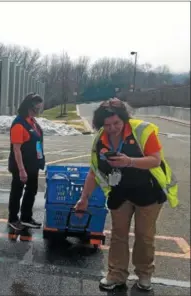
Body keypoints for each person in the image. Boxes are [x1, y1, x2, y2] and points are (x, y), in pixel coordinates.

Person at [74, 98, 178, 291]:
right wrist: (84, 198)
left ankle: (145, 274)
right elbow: (94, 171)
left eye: (116, 123)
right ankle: (116, 274)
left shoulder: (142, 131)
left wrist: (129, 161)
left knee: (144, 236)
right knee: (118, 235)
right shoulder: (100, 140)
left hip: (148, 191)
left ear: (124, 119)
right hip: (120, 192)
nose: (112, 128)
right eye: (106, 125)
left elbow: (155, 160)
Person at [7, 93, 45, 230]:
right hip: (21, 166)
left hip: (33, 165)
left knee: (31, 191)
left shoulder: (32, 121)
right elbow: (16, 150)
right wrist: (22, 170)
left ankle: (26, 217)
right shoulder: (19, 124)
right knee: (17, 192)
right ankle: (13, 218)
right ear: (31, 106)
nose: (40, 110)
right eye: (38, 107)